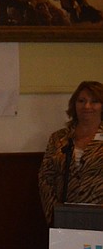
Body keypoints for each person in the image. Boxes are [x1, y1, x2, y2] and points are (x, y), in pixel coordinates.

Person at [38, 80, 103, 225]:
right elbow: (46, 178)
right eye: (81, 101)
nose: (87, 106)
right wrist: (54, 213)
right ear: (74, 104)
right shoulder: (59, 138)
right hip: (66, 217)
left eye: (94, 101)